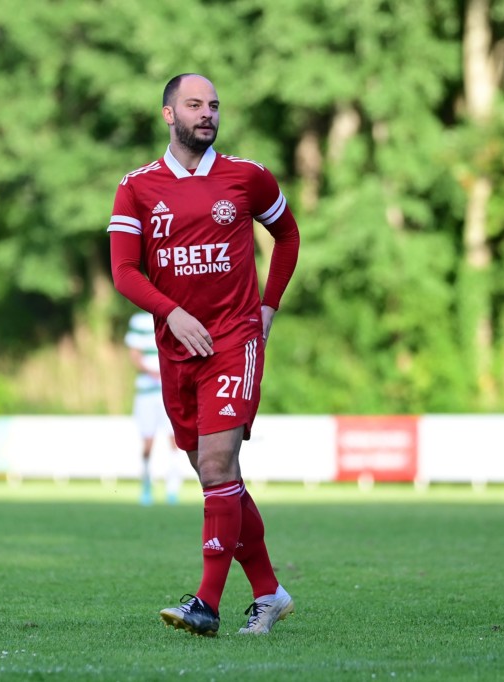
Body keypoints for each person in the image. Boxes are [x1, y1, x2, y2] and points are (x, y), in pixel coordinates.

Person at [107, 73, 300, 635]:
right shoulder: (137, 187)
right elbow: (123, 271)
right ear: (169, 115)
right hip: (177, 351)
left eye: (213, 105)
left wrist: (269, 307)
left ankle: (207, 605)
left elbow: (287, 237)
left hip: (234, 341)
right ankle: (269, 593)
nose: (207, 113)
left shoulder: (248, 177)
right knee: (219, 478)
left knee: (218, 468)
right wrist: (172, 312)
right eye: (194, 105)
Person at [124, 309, 182, 506]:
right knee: (147, 443)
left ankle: (172, 489)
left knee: (175, 440)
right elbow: (135, 355)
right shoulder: (139, 320)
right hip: (147, 392)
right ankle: (147, 486)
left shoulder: (173, 316)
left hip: (170, 390)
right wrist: (153, 373)